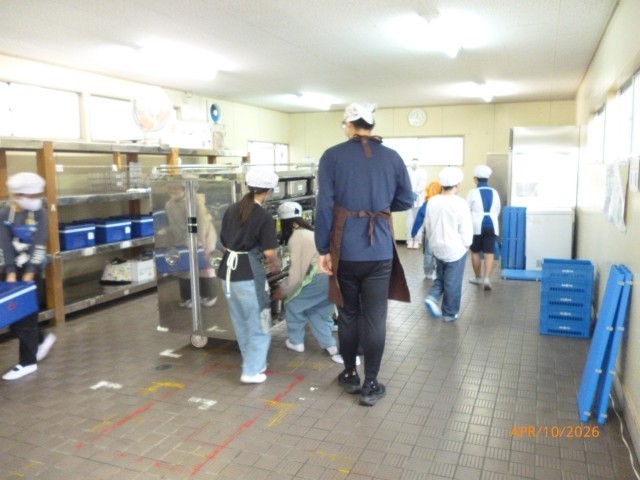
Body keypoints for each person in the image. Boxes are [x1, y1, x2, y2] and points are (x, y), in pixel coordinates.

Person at [315, 102, 413, 407]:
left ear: (348, 125)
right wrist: (379, 207)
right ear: (371, 126)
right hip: (380, 251)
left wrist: (323, 249)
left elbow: (324, 205)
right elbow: (406, 199)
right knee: (375, 317)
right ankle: (371, 383)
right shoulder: (392, 157)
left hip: (345, 250)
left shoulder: (332, 156)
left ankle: (349, 374)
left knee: (347, 315)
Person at [217, 168, 280, 384]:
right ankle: (251, 372)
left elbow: (224, 243)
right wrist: (275, 265)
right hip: (248, 274)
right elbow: (269, 252)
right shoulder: (263, 216)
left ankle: (254, 363)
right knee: (260, 323)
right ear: (269, 191)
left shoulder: (231, 209)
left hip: (227, 273)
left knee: (241, 322)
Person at [271, 201, 343, 364]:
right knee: (318, 311)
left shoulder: (297, 237)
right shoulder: (310, 232)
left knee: (293, 304)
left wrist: (282, 290)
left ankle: (296, 342)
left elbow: (297, 273)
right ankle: (330, 345)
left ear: (285, 223)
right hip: (331, 277)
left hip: (319, 278)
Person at [1, 172, 56, 380]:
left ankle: (27, 363)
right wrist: (10, 272)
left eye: (36, 196)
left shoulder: (40, 213)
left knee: (26, 318)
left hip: (33, 271)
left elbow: (39, 244)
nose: (34, 200)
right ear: (17, 195)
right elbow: (5, 245)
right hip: (10, 270)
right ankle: (41, 339)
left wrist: (30, 273)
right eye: (29, 196)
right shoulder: (5, 214)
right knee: (13, 316)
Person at [423, 167, 473, 323]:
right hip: (455, 248)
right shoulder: (460, 203)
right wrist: (466, 244)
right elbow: (466, 227)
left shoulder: (433, 201)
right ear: (457, 185)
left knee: (441, 276)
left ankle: (432, 297)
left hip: (437, 246)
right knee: (453, 281)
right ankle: (450, 313)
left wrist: (432, 242)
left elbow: (428, 225)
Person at [162, 179, 218, 307]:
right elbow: (172, 224)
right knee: (184, 268)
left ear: (184, 189)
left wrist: (199, 240)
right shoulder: (169, 205)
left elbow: (202, 223)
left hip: (204, 236)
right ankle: (188, 297)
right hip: (183, 239)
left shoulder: (195, 202)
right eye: (170, 188)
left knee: (205, 266)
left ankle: (208, 295)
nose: (173, 191)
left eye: (176, 188)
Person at [466, 165, 501, 290]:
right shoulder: (494, 192)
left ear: (476, 179)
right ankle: (487, 279)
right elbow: (497, 209)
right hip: (492, 225)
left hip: (476, 225)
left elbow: (466, 210)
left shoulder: (472, 192)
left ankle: (478, 277)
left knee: (475, 251)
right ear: (487, 179)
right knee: (489, 252)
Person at [410, 181, 442, 280]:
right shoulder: (443, 202)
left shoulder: (427, 203)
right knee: (440, 252)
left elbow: (419, 218)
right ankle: (439, 271)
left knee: (429, 253)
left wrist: (414, 232)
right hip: (442, 232)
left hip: (430, 231)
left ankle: (428, 273)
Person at [405, 158, 427, 249]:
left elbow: (422, 183)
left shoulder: (422, 172)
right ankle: (410, 240)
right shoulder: (406, 170)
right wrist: (409, 193)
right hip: (408, 198)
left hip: (419, 198)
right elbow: (404, 182)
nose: (414, 162)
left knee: (418, 220)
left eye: (416, 159)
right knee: (409, 220)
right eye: (413, 159)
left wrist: (416, 192)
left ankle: (417, 240)